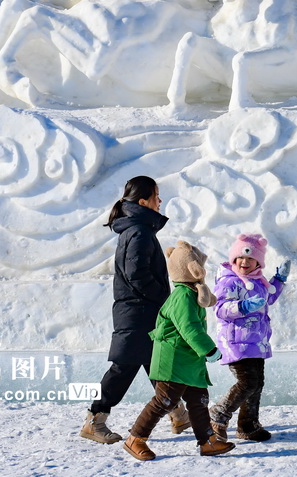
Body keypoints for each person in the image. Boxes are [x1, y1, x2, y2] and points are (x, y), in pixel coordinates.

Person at [80, 175, 173, 444]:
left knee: (156, 364)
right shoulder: (140, 232)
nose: (160, 201)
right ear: (143, 202)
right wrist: (163, 298)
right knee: (123, 368)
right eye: (156, 196)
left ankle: (178, 413)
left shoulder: (137, 230)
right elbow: (137, 275)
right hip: (138, 311)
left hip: (140, 310)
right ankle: (95, 420)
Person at [123, 240, 235, 459]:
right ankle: (135, 438)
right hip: (174, 360)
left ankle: (207, 441)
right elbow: (189, 328)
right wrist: (209, 349)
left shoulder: (191, 294)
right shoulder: (182, 296)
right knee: (164, 400)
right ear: (193, 269)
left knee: (199, 401)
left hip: (189, 360)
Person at [209, 233, 291, 442]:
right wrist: (243, 306)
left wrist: (278, 280)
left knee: (257, 383)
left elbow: (268, 298)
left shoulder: (258, 281)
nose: (244, 262)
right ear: (234, 259)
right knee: (248, 382)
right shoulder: (229, 281)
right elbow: (220, 308)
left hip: (256, 341)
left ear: (258, 262)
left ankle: (248, 425)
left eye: (250, 259)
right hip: (235, 341)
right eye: (240, 258)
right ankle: (218, 414)